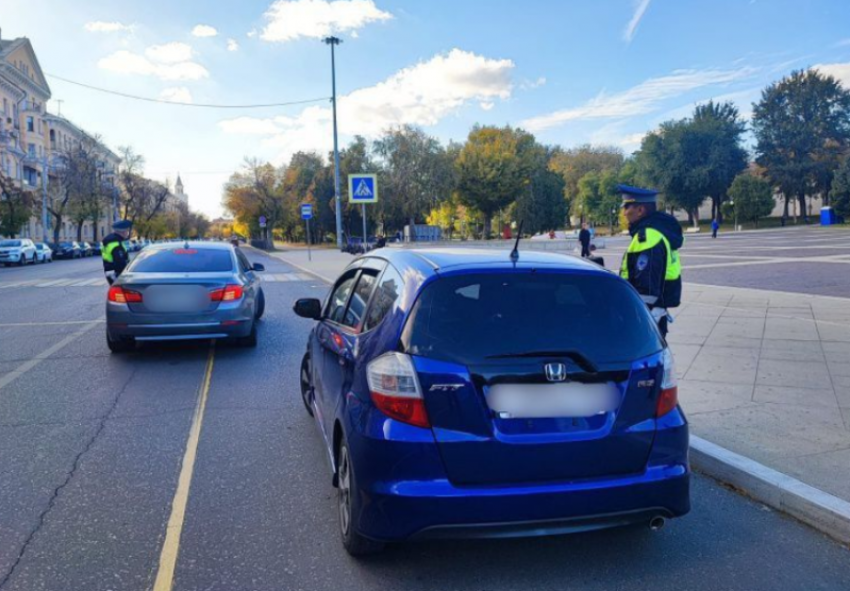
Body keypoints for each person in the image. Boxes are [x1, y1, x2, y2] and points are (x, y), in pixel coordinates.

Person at [618, 185, 684, 338]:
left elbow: (646, 290)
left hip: (646, 318)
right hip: (655, 314)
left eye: (627, 207)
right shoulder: (659, 231)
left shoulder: (647, 237)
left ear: (640, 210)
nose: (624, 213)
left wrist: (638, 319)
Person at [102, 220, 132, 285]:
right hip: (116, 273)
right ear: (122, 232)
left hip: (111, 272)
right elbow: (120, 263)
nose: (128, 233)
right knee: (120, 292)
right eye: (127, 230)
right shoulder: (115, 244)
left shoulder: (114, 241)